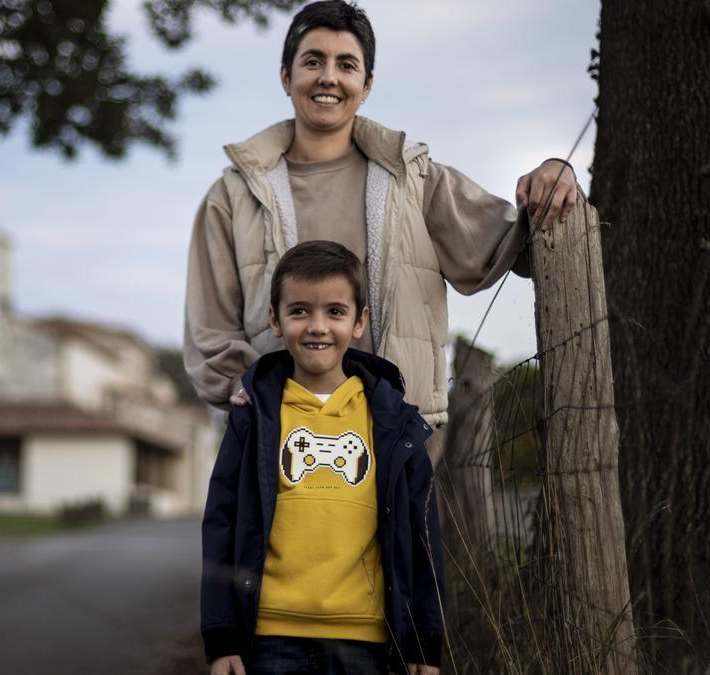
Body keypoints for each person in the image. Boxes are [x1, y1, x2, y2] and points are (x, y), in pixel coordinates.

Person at [183, 0, 580, 435]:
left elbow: (512, 243)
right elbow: (211, 330)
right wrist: (255, 392)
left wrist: (555, 176)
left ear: (366, 83)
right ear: (286, 76)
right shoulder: (233, 195)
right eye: (312, 61)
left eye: (346, 64)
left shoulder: (413, 179)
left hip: (399, 440)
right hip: (280, 441)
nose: (328, 77)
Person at [201, 240, 443, 675]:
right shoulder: (253, 416)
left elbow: (422, 532)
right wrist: (221, 637)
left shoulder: (393, 424)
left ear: (358, 322)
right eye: (299, 311)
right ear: (275, 319)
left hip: (368, 643)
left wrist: (424, 643)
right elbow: (221, 522)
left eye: (334, 311)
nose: (317, 326)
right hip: (269, 639)